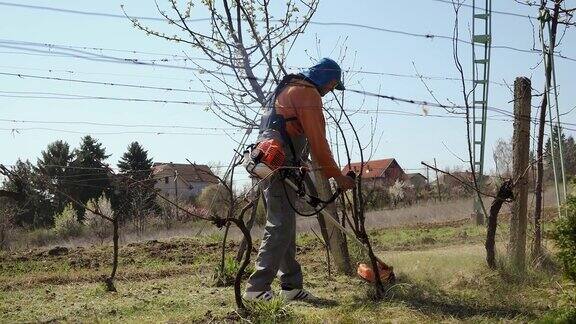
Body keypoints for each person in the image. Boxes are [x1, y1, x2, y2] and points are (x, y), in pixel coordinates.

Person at [243, 58, 355, 301]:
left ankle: (291, 286)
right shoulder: (308, 93)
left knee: (285, 224)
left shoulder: (286, 88)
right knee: (280, 225)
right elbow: (319, 143)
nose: (329, 92)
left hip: (270, 163)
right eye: (332, 86)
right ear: (329, 80)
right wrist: (337, 176)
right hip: (279, 164)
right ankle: (257, 288)